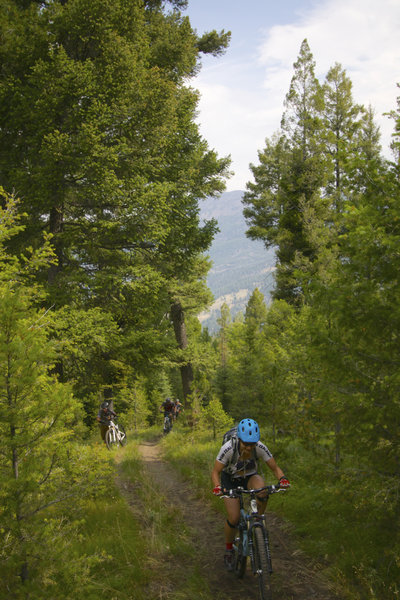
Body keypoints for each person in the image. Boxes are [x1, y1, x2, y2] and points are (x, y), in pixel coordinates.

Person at [211, 418, 290, 571]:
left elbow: (275, 468)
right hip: (230, 480)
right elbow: (216, 472)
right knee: (233, 518)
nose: (249, 448)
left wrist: (283, 479)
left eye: (252, 444)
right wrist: (217, 487)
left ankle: (257, 522)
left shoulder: (259, 447)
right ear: (239, 440)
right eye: (245, 444)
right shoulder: (228, 448)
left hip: (249, 477)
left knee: (263, 490)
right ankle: (228, 550)